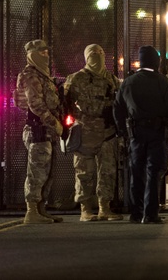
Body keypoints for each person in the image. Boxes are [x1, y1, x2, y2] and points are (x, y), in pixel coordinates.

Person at [114, 45, 168, 224]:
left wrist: (122, 131)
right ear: (156, 62)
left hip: (135, 133)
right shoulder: (164, 83)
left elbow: (117, 108)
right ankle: (150, 214)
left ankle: (136, 213)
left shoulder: (128, 82)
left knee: (136, 172)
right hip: (158, 133)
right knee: (154, 172)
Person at [63, 44, 122, 222]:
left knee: (108, 171)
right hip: (85, 133)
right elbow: (65, 105)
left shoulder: (112, 79)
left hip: (107, 132)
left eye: (100, 53)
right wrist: (74, 120)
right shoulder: (75, 79)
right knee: (84, 172)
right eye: (92, 54)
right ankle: (85, 209)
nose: (97, 56)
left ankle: (105, 207)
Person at [14, 39, 64, 224]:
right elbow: (36, 105)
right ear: (32, 54)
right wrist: (54, 123)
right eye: (41, 52)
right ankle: (32, 211)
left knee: (47, 171)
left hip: (46, 131)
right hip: (38, 129)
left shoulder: (44, 76)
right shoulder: (30, 75)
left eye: (46, 52)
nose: (46, 55)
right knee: (37, 171)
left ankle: (41, 209)